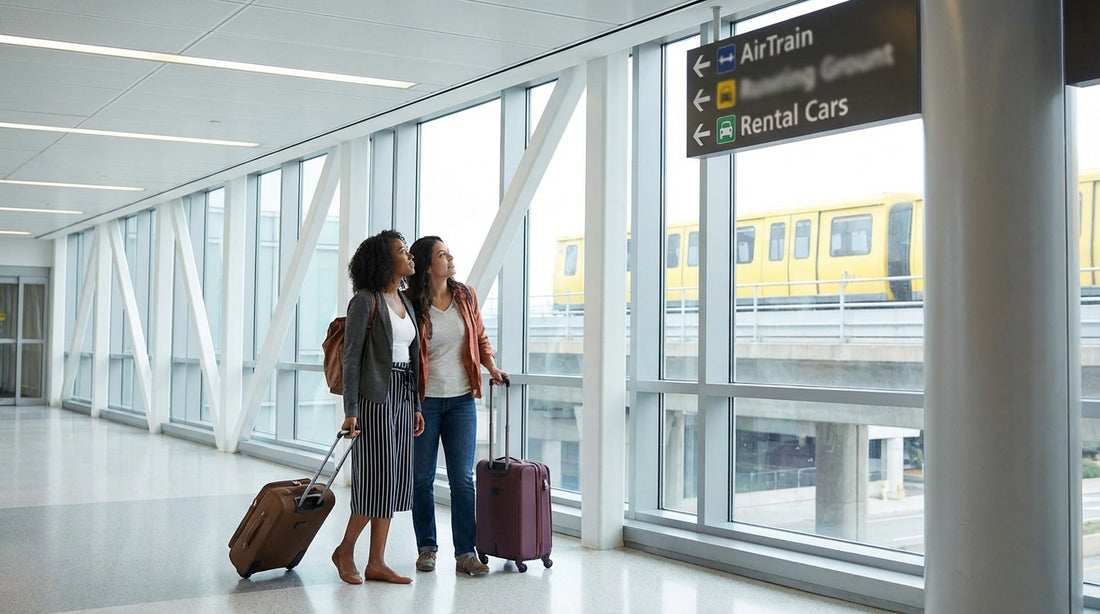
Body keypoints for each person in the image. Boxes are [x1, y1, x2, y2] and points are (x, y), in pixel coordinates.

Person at [405, 236, 507, 576]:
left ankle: (465, 553)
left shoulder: (465, 295)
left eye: (450, 251)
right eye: (441, 254)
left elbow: (479, 336)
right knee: (422, 479)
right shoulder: (411, 303)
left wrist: (490, 366)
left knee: (463, 479)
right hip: (425, 402)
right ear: (426, 265)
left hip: (462, 399)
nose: (450, 257)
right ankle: (426, 549)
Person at [332, 230, 426, 585]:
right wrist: (351, 410)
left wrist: (415, 403)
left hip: (402, 396)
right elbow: (352, 357)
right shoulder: (365, 301)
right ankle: (345, 550)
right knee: (376, 479)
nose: (410, 255)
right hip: (374, 398)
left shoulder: (406, 301)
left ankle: (377, 562)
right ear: (387, 260)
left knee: (394, 478)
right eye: (403, 251)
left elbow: (412, 357)